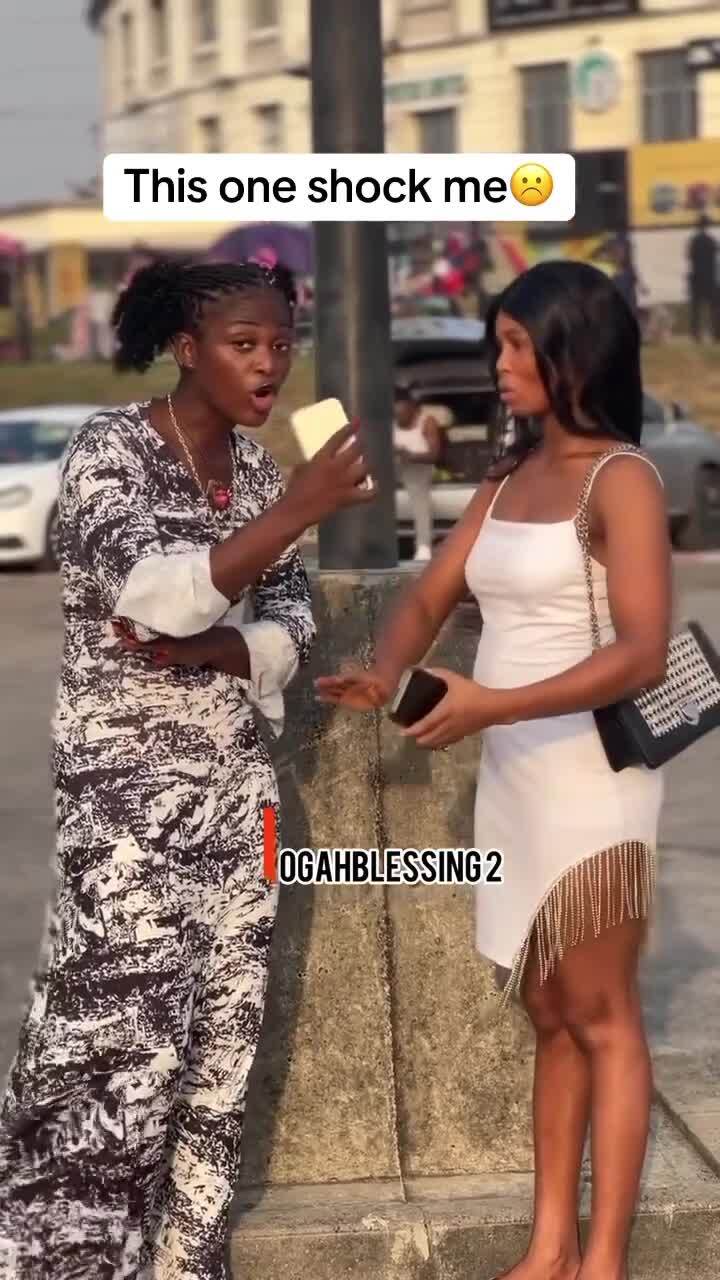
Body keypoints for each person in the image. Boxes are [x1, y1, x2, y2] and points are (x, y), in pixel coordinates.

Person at [0, 258, 373, 1279]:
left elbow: (291, 620)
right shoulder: (110, 449)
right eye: (244, 344)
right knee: (111, 1051)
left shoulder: (259, 474)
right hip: (123, 805)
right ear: (186, 347)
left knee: (219, 1051)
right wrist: (295, 515)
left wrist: (226, 647)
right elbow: (151, 593)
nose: (268, 364)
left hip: (238, 802)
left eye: (281, 344)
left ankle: (185, 1263)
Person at [317, 260, 671, 1280]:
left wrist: (490, 705)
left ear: (575, 355)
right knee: (550, 1013)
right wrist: (387, 673)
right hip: (515, 774)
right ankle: (549, 1246)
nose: (499, 364)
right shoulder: (508, 478)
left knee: (604, 1016)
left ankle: (603, 1261)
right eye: (499, 344)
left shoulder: (623, 479)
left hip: (592, 779)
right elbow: (432, 592)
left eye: (517, 345)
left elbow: (643, 653)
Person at [393, 386, 445, 561]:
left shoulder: (426, 422)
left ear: (411, 406)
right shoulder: (388, 424)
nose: (398, 414)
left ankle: (424, 545)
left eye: (400, 408)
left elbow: (434, 455)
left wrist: (409, 456)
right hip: (394, 470)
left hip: (421, 469)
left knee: (416, 486)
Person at [687, 215, 719, 342]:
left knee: (696, 308)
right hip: (710, 277)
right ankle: (716, 333)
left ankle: (696, 334)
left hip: (696, 277)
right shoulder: (711, 240)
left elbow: (689, 257)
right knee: (714, 307)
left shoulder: (694, 241)